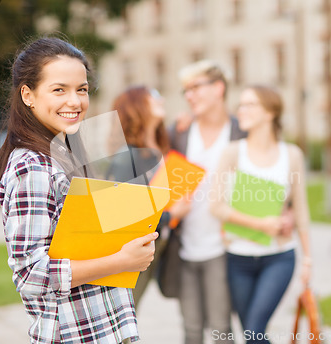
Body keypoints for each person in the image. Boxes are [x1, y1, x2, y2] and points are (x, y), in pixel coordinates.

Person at [0, 37, 158, 344]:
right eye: (59, 89)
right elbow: (30, 274)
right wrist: (121, 261)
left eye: (82, 89)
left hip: (103, 328)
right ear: (27, 94)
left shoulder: (66, 150)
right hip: (73, 334)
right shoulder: (32, 166)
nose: (75, 101)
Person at [210, 85, 312, 344]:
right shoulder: (233, 152)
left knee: (254, 332)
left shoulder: (292, 155)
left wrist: (308, 258)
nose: (240, 110)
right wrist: (261, 223)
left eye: (249, 104)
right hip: (238, 259)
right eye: (240, 104)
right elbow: (216, 206)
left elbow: (301, 209)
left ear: (270, 113)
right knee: (253, 335)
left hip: (278, 258)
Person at [167, 60, 245, 344]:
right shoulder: (180, 132)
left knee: (221, 330)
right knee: (190, 330)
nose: (189, 95)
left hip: (222, 249)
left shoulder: (240, 131)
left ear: (219, 88)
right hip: (184, 247)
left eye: (195, 87)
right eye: (185, 90)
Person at [107, 85, 190, 307]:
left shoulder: (161, 146)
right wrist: (171, 215)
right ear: (137, 106)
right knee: (123, 317)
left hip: (156, 249)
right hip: (130, 253)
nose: (161, 99)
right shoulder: (127, 158)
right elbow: (122, 214)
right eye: (153, 96)